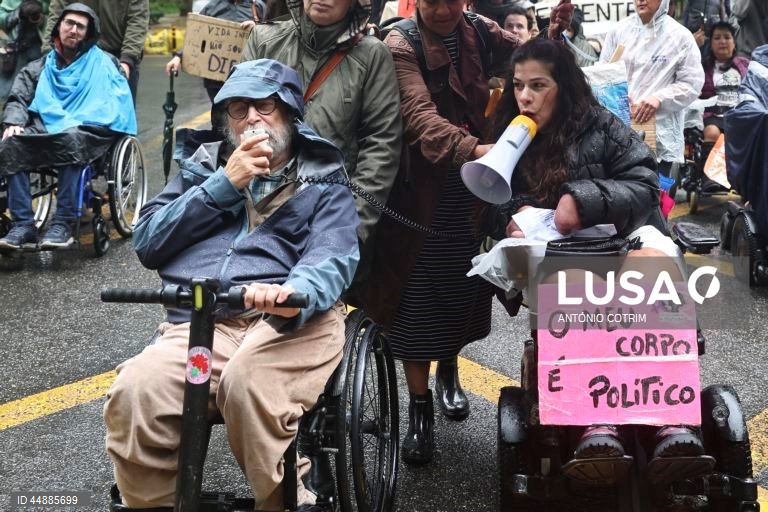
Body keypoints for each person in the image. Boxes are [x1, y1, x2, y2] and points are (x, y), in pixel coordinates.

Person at [103, 59, 360, 512]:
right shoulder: (202, 170)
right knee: (135, 389)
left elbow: (332, 255)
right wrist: (224, 183)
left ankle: (282, 500)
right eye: (239, 110)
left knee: (247, 382)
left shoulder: (323, 180)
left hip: (291, 323)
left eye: (265, 106)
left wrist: (289, 293)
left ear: (290, 116)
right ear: (226, 123)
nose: (252, 119)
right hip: (206, 324)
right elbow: (147, 242)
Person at [360, 0, 573, 465]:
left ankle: (449, 372)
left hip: (477, 190)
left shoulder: (480, 30)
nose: (440, 10)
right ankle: (419, 410)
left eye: (450, 1)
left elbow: (530, 60)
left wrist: (553, 37)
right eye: (431, 1)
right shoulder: (400, 44)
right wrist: (480, 150)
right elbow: (418, 117)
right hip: (419, 191)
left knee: (461, 293)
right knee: (414, 308)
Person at [489, 37, 704, 460]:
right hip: (557, 257)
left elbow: (644, 182)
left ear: (564, 86)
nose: (525, 97)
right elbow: (489, 201)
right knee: (573, 284)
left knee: (653, 268)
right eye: (518, 86)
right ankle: (595, 419)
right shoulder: (509, 133)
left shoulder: (602, 124)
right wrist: (509, 217)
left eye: (538, 85)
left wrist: (582, 201)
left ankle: (668, 418)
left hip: (622, 238)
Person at [240, 0, 402, 303]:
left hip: (331, 215)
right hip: (258, 214)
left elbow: (381, 145)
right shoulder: (264, 40)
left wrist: (350, 230)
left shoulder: (372, 55)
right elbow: (235, 123)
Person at [0, 2, 135, 251]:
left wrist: (85, 118)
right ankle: (23, 225)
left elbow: (116, 103)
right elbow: (18, 97)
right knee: (10, 142)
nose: (73, 30)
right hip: (47, 127)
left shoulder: (106, 64)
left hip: (88, 128)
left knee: (71, 139)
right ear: (58, 27)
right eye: (69, 23)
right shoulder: (40, 66)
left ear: (88, 33)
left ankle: (63, 222)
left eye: (80, 27)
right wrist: (14, 122)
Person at [600, 0, 704, 191]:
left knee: (660, 200)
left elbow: (692, 83)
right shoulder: (618, 32)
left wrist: (660, 98)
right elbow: (603, 75)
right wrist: (617, 96)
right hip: (622, 133)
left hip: (662, 137)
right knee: (623, 198)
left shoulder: (680, 37)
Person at [165, 0, 258, 135]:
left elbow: (272, 34)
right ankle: (222, 152)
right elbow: (195, 36)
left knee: (246, 120)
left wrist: (257, 28)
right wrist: (178, 57)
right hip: (215, 81)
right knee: (220, 124)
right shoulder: (212, 7)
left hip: (248, 80)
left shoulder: (257, 6)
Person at [43, 0, 149, 102]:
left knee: (121, 112)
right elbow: (57, 15)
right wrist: (48, 53)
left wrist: (127, 60)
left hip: (120, 54)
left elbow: (138, 19)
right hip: (77, 55)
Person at [700, 20, 749, 143]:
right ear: (710, 44)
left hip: (741, 114)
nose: (722, 42)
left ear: (734, 43)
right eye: (717, 38)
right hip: (713, 116)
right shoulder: (702, 68)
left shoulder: (745, 65)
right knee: (712, 132)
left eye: (727, 37)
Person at [0, 0, 50, 106]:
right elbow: (1, 17)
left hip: (40, 52)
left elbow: (55, 18)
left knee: (37, 95)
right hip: (15, 55)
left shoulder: (48, 3)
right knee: (8, 95)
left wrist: (39, 16)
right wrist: (18, 14)